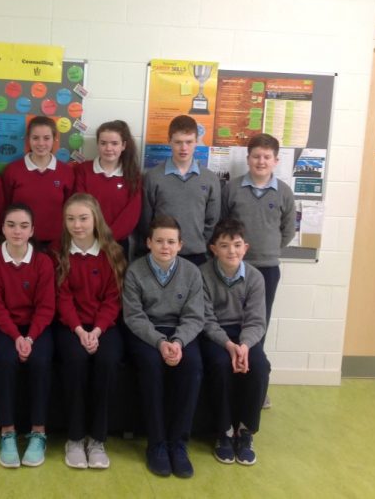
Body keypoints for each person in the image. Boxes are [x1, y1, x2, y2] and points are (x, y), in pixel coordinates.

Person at [122, 215, 204, 478]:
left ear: (180, 245)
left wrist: (178, 342)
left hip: (179, 333)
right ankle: (156, 443)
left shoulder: (192, 272)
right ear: (148, 243)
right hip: (147, 333)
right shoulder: (135, 271)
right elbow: (134, 316)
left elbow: (194, 316)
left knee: (193, 367)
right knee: (150, 366)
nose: (165, 247)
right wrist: (159, 342)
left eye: (170, 242)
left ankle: (178, 444)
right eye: (159, 241)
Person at [221, 133, 295, 408]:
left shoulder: (284, 192)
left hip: (266, 269)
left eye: (266, 157)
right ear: (248, 158)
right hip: (233, 268)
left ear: (276, 160)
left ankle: (256, 386)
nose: (261, 161)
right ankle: (231, 381)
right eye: (256, 156)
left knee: (257, 326)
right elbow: (222, 224)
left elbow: (288, 230)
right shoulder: (233, 189)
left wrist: (270, 249)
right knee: (231, 323)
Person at [54, 193, 126, 470]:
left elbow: (112, 299)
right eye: (70, 219)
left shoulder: (112, 253)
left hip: (103, 327)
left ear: (96, 219)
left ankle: (97, 439)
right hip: (71, 327)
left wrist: (95, 331)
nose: (77, 225)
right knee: (75, 361)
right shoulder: (58, 252)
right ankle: (74, 438)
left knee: (107, 362)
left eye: (83, 218)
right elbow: (63, 298)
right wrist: (79, 331)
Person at [0, 203, 56, 468]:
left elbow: (46, 307)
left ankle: (38, 432)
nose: (17, 231)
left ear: (32, 230)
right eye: (11, 225)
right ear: (2, 228)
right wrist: (16, 337)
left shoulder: (43, 262)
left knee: (41, 361)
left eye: (24, 226)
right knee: (6, 362)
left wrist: (30, 338)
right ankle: (7, 432)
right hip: (5, 328)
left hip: (36, 328)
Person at [200, 219, 270, 466]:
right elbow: (206, 319)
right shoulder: (202, 274)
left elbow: (256, 321)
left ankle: (245, 431)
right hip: (215, 335)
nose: (232, 251)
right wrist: (228, 346)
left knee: (259, 367)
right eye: (224, 245)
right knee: (220, 365)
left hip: (244, 336)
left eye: (237, 245)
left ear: (245, 248)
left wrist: (244, 346)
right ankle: (224, 431)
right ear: (214, 249)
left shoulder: (255, 277)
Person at [139, 115, 220, 266]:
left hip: (196, 256)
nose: (184, 148)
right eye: (178, 142)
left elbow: (212, 220)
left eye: (189, 142)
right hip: (161, 254)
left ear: (196, 141)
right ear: (169, 141)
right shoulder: (153, 177)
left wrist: (199, 242)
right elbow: (146, 221)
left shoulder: (210, 179)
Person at [2, 116, 74, 247]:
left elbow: (70, 209)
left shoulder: (66, 172)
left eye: (46, 138)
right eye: (35, 138)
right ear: (28, 139)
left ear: (54, 139)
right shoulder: (13, 171)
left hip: (56, 243)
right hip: (20, 242)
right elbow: (5, 206)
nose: (41, 143)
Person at [74, 120, 142, 256]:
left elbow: (131, 215)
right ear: (97, 144)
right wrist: (93, 235)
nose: (108, 148)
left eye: (114, 143)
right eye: (103, 143)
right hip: (86, 240)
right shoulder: (82, 170)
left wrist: (108, 238)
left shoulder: (133, 175)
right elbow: (80, 206)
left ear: (123, 146)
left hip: (117, 244)